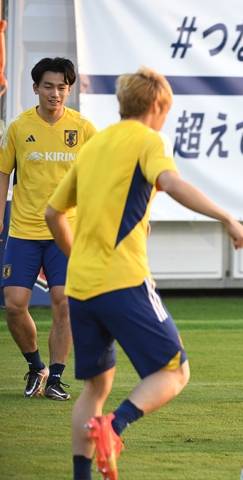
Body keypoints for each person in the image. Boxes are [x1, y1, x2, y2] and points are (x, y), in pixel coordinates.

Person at [44, 67, 243, 480]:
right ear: (156, 106)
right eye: (166, 111)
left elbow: (53, 213)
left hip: (80, 288)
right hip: (122, 280)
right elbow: (171, 183)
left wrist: (80, 255)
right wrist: (226, 217)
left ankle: (81, 474)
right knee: (176, 371)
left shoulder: (94, 144)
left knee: (95, 388)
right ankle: (113, 427)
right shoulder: (146, 139)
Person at [0, 57, 97, 400]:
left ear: (69, 90)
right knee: (13, 304)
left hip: (66, 232)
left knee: (64, 302)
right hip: (24, 231)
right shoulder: (17, 128)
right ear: (35, 88)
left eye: (62, 87)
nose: (55, 94)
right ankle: (35, 366)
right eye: (48, 86)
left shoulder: (84, 129)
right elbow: (3, 174)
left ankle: (55, 377)